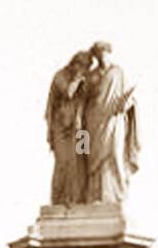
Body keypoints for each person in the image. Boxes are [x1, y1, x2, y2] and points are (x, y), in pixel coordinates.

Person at [82, 41, 139, 203]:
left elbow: (129, 97)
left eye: (104, 52)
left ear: (109, 53)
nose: (102, 56)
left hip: (114, 119)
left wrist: (126, 104)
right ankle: (94, 195)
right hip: (93, 121)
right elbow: (83, 101)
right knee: (91, 158)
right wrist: (80, 137)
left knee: (115, 154)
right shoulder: (90, 76)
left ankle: (116, 195)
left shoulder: (118, 72)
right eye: (98, 53)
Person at [45, 51, 92, 204]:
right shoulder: (61, 76)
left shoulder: (86, 79)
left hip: (82, 130)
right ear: (74, 64)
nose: (85, 70)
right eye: (83, 66)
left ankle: (80, 199)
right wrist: (79, 78)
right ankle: (58, 201)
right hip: (62, 128)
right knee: (63, 162)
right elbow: (69, 92)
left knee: (82, 161)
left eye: (87, 67)